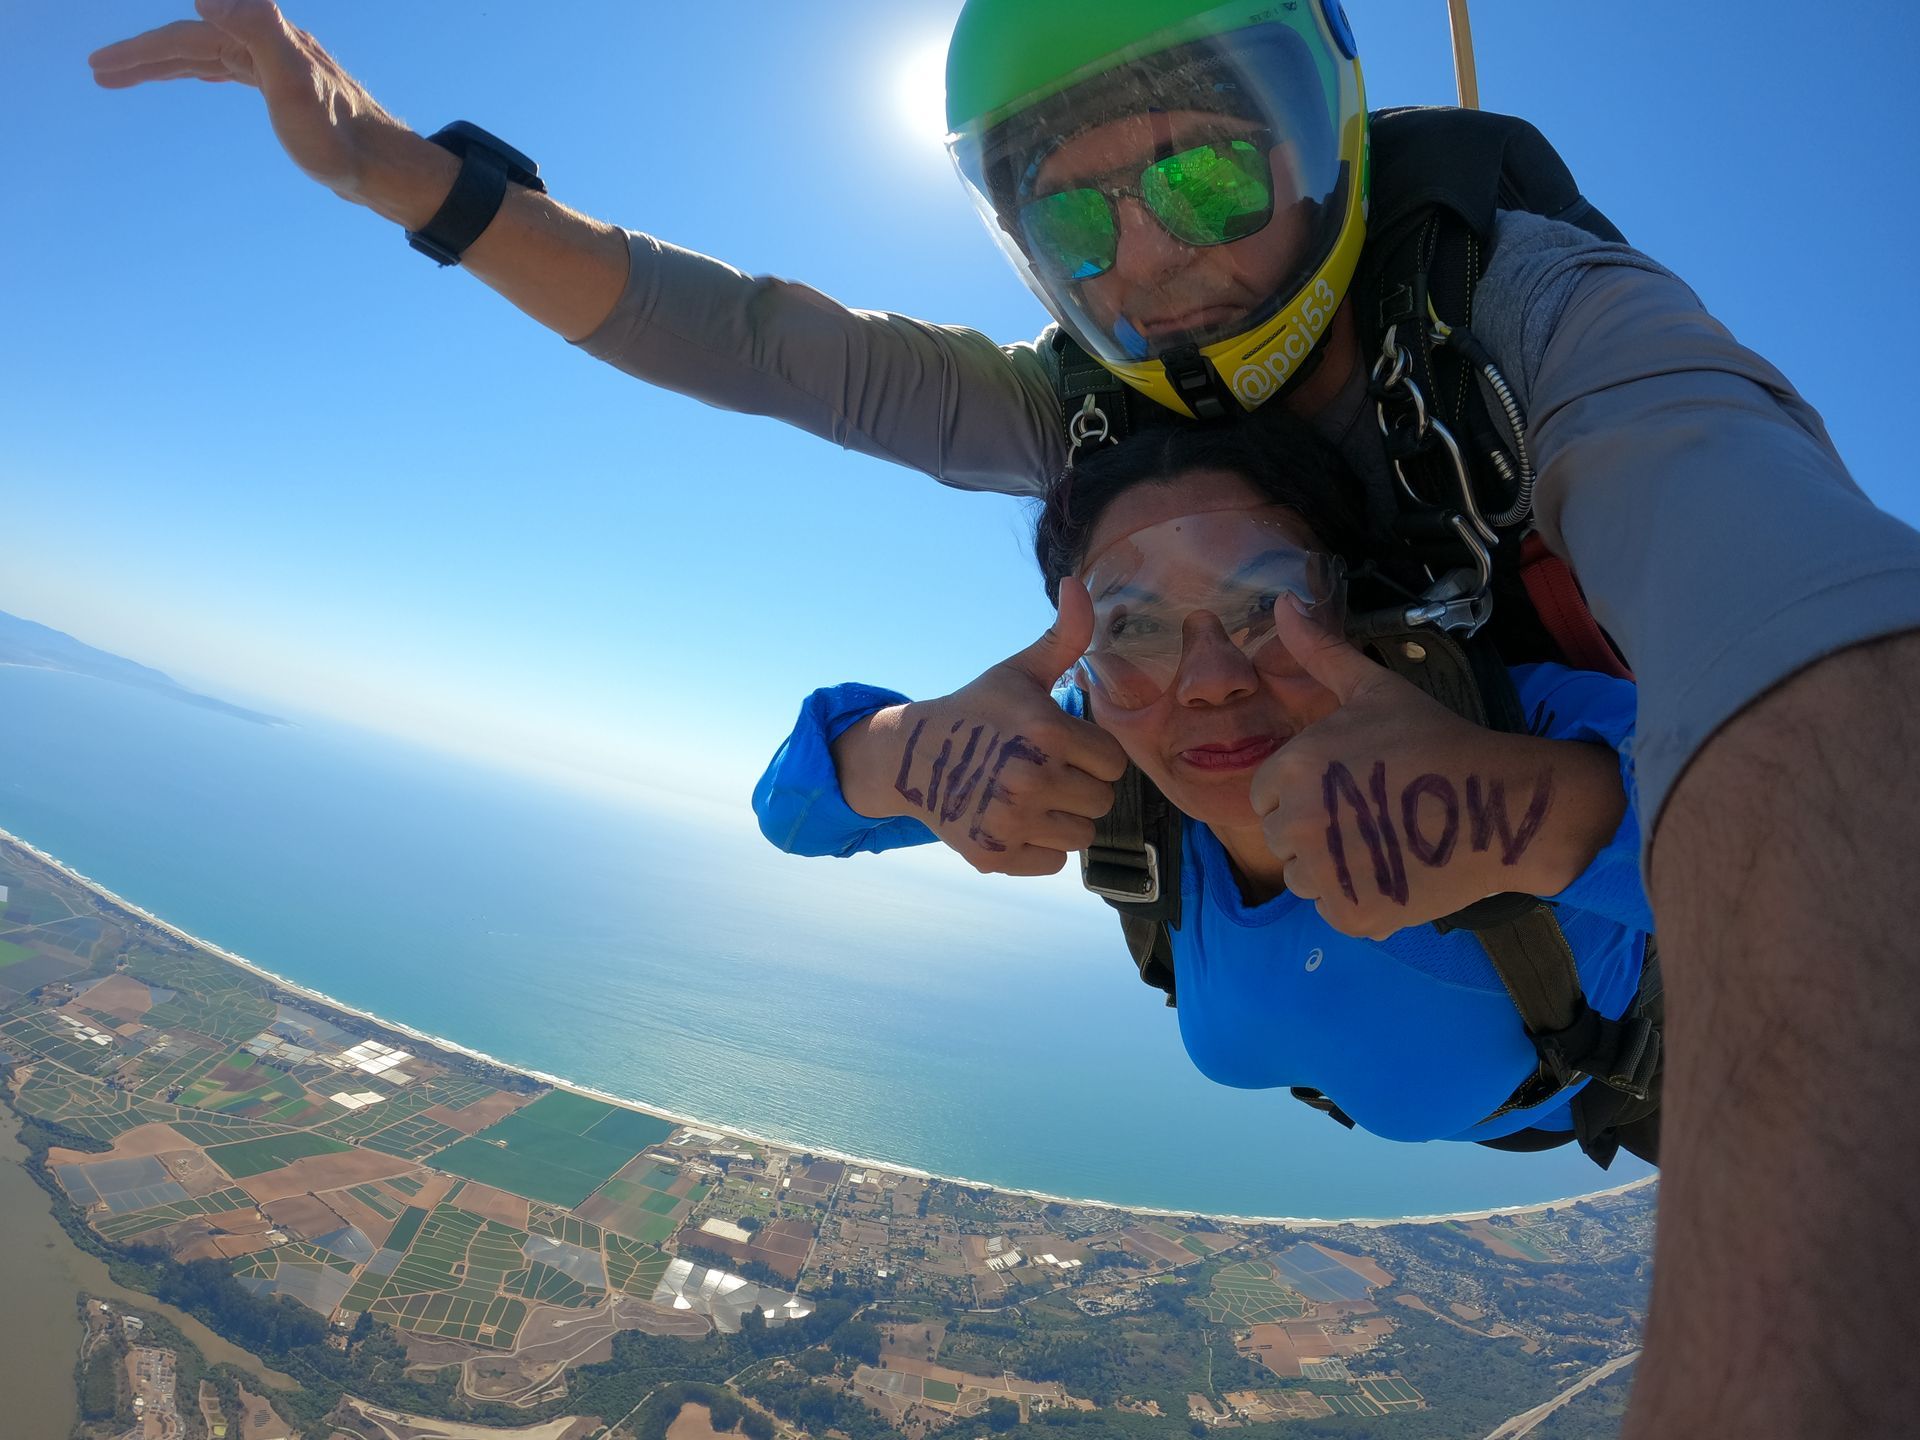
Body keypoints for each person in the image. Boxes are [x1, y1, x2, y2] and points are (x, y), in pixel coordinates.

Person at [87, 2, 1920, 1433]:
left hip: (1626, 1031)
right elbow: (767, 350)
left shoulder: (1537, 322)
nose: (1152, 257)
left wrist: (1546, 810)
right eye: (1071, 206)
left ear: (1324, 135)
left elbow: (1797, 644)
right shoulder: (1110, 566)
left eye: (1207, 174)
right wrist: (402, 173)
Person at [755, 415, 1660, 1160]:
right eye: (1137, 626)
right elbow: (790, 812)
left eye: (1267, 607)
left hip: (1648, 1085)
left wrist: (1530, 814)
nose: (1210, 678)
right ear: (1087, 659)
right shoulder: (1091, 750)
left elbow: (1786, 844)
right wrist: (907, 748)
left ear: (1355, 608)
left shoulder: (1509, 734)